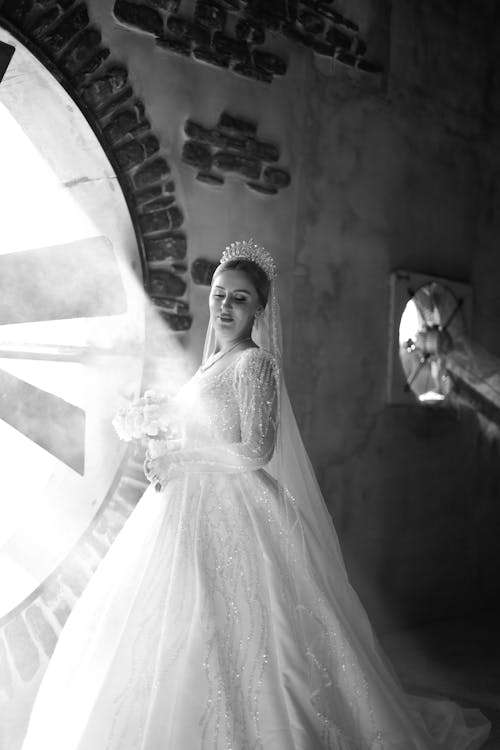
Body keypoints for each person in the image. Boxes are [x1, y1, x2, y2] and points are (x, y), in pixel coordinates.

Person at [22, 239, 490, 750]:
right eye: (219, 294)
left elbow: (255, 450)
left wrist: (181, 459)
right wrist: (159, 428)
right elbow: (205, 431)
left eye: (239, 299)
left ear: (260, 309)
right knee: (173, 623)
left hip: (237, 508)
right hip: (184, 505)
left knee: (247, 633)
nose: (224, 306)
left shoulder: (255, 363)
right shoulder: (210, 365)